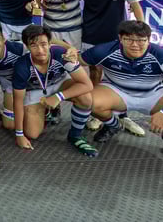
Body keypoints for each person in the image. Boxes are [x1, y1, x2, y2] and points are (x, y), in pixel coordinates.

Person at [84, 21, 163, 162]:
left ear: (149, 40)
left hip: (153, 93)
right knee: (87, 100)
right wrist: (67, 52)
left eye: (141, 40)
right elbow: (74, 60)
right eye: (129, 39)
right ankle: (113, 125)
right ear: (120, 38)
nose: (135, 45)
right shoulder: (103, 51)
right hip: (116, 91)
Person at [80, 0, 146, 135]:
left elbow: (135, 5)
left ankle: (123, 116)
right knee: (95, 75)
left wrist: (142, 32)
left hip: (117, 37)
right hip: (91, 35)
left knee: (120, 75)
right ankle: (96, 113)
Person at [12, 25, 99, 157]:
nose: (40, 50)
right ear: (27, 46)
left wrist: (58, 96)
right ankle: (45, 110)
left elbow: (87, 84)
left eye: (43, 44)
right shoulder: (21, 66)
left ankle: (75, 136)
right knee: (32, 134)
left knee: (86, 98)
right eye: (34, 45)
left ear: (50, 43)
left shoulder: (61, 54)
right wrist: (19, 135)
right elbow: (17, 101)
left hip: (60, 84)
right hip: (35, 91)